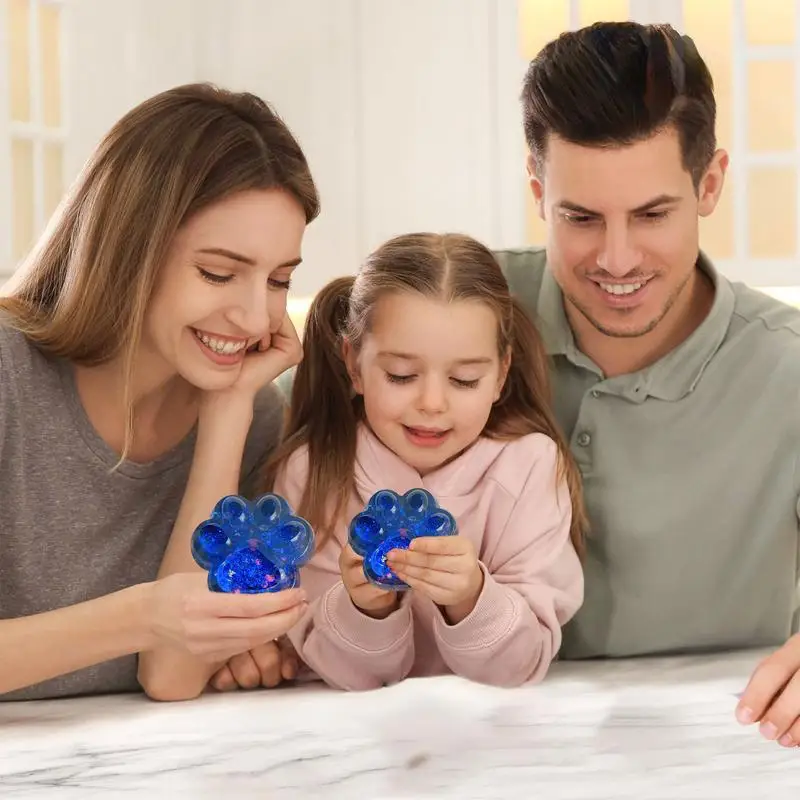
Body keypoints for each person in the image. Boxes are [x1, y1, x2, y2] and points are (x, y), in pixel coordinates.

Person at [494, 21, 800, 747]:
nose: (617, 258)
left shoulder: (788, 371)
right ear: (539, 193)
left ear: (710, 184)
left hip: (719, 756)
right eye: (581, 218)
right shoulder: (453, 314)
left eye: (653, 214)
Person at [0, 82, 320, 701]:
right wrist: (145, 615)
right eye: (218, 273)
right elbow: (170, 623)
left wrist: (228, 412)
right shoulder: (10, 375)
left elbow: (172, 676)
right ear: (129, 248)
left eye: (279, 280)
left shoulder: (254, 415)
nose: (256, 319)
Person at [256, 232, 586, 690]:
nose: (432, 403)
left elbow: (521, 665)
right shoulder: (313, 472)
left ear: (500, 374)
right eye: (401, 375)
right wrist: (367, 609)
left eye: (465, 380)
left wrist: (471, 597)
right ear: (354, 364)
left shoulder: (529, 467)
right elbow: (343, 672)